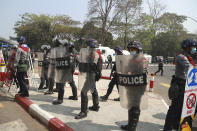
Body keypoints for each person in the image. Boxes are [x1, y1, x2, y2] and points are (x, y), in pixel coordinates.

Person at [163, 39, 196, 131]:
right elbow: (191, 69)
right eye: (192, 47)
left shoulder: (189, 57)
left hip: (186, 85)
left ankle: (175, 125)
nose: (193, 49)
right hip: (179, 85)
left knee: (181, 108)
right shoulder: (181, 57)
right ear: (186, 47)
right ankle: (167, 128)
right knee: (174, 108)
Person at [120, 41, 147, 131]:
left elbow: (143, 75)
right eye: (130, 49)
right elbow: (127, 70)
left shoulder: (142, 60)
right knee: (130, 106)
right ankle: (130, 125)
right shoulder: (131, 59)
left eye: (133, 49)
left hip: (138, 88)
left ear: (138, 50)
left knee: (135, 107)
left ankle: (132, 128)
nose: (131, 51)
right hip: (130, 86)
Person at [75, 38, 102, 119]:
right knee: (93, 89)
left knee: (83, 92)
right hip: (90, 75)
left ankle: (83, 112)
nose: (87, 47)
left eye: (88, 46)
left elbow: (95, 66)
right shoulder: (97, 53)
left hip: (91, 75)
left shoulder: (94, 54)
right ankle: (96, 106)